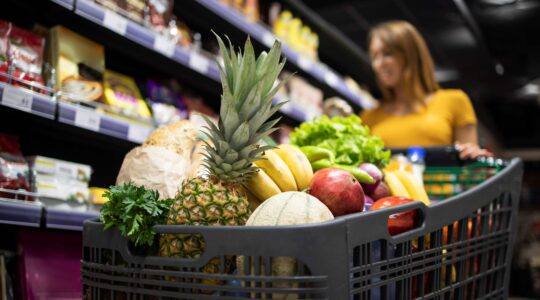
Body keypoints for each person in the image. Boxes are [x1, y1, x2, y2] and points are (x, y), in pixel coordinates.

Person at [361, 20, 491, 159]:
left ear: (410, 54)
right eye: (374, 57)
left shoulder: (454, 101)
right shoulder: (368, 117)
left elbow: (468, 167)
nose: (378, 64)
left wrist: (473, 155)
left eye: (387, 54)